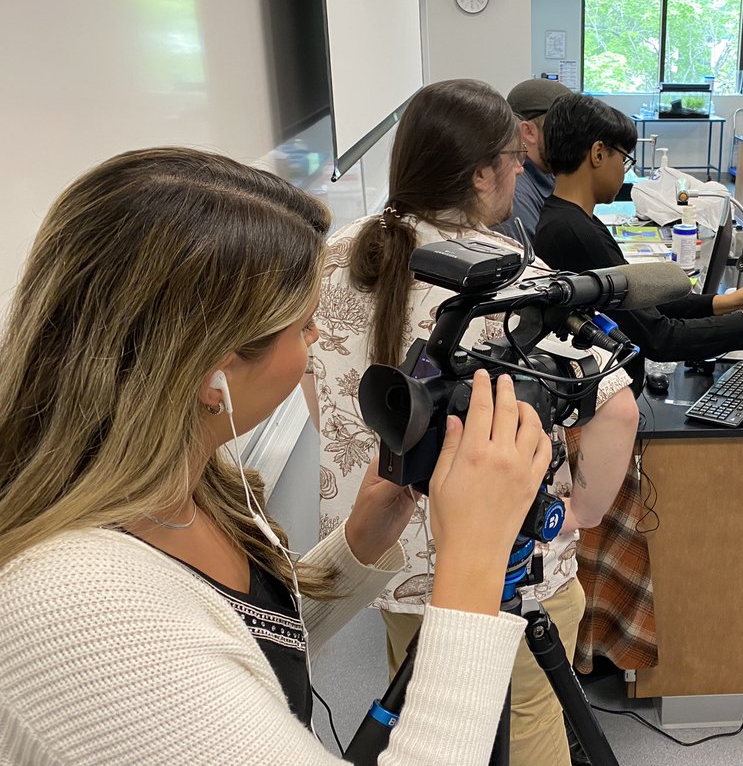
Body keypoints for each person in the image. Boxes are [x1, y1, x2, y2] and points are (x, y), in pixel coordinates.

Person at [0, 148, 559, 765]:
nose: (316, 338)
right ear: (212, 373)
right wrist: (474, 561)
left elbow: (245, 645)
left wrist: (359, 544)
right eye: (302, 326)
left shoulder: (180, 482)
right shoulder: (85, 622)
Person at [312, 79, 640, 766]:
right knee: (530, 718)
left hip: (387, 552)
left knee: (431, 715)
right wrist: (580, 508)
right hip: (506, 563)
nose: (523, 169)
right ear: (481, 173)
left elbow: (323, 394)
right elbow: (618, 405)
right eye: (513, 160)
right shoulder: (511, 277)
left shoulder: (335, 254)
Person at [533, 93, 743, 393]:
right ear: (598, 153)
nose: (624, 170)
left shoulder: (569, 219)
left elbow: (639, 299)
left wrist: (731, 301)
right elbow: (659, 338)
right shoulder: (575, 234)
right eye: (624, 159)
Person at [492, 77, 573, 242]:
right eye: (564, 128)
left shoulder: (549, 173)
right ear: (528, 131)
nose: (575, 138)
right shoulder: (515, 195)